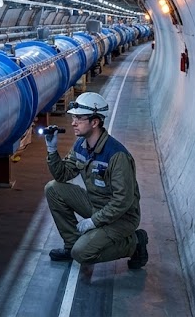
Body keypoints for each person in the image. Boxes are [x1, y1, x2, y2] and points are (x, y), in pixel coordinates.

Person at [43, 92, 149, 268]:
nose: (73, 123)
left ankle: (135, 242)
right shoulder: (81, 145)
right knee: (53, 188)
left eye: (79, 119)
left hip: (121, 217)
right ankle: (71, 245)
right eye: (73, 118)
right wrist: (52, 150)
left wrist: (93, 221)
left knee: (82, 253)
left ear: (95, 122)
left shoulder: (116, 155)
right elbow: (62, 175)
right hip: (96, 205)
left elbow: (122, 201)